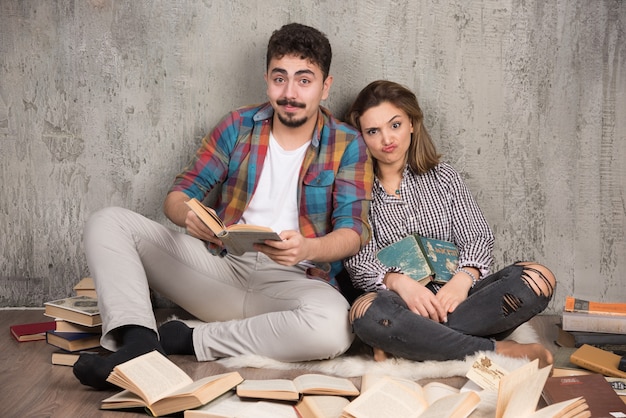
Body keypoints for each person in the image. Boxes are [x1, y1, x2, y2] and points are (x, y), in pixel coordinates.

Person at [73, 23, 373, 390]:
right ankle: (137, 345)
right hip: (219, 268)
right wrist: (191, 216)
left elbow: (352, 232)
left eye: (304, 80)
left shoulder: (348, 144)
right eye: (280, 78)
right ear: (267, 79)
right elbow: (179, 194)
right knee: (108, 222)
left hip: (292, 285)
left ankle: (188, 340)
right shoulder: (238, 125)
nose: (289, 93)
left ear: (325, 86)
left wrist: (307, 248)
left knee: (333, 328)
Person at [343, 80, 555, 367]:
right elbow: (359, 264)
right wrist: (401, 284)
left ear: (412, 124)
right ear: (362, 138)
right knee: (365, 312)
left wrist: (462, 281)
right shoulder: (355, 190)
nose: (386, 139)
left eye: (395, 125)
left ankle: (413, 344)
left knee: (538, 278)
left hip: (462, 301)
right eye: (373, 131)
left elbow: (478, 237)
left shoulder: (444, 177)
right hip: (399, 305)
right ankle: (497, 350)